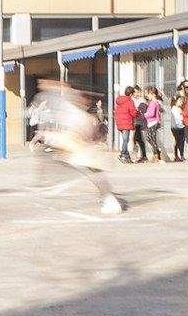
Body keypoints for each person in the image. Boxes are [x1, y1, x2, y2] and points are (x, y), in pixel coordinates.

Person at [30, 79, 126, 215]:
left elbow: (81, 137)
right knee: (94, 173)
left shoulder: (79, 116)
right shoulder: (76, 112)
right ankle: (108, 197)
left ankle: (109, 199)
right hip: (78, 150)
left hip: (81, 151)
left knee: (95, 173)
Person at [113, 86, 137, 162]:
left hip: (120, 123)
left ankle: (127, 156)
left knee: (125, 140)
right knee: (126, 140)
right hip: (126, 123)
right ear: (131, 94)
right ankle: (122, 154)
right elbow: (133, 113)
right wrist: (138, 112)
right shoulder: (130, 101)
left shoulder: (119, 101)